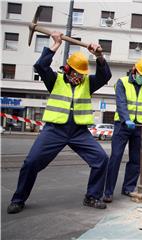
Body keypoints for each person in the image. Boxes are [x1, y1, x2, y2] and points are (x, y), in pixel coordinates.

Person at [7, 32, 112, 214]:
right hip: (55, 130)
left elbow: (105, 76)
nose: (80, 78)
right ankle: (18, 199)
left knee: (101, 159)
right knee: (31, 162)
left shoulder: (87, 83)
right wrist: (55, 44)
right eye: (77, 74)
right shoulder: (54, 80)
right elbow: (40, 65)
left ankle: (92, 196)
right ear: (68, 69)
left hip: (79, 132)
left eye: (82, 75)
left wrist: (99, 56)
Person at [103, 57, 142, 203]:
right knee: (115, 157)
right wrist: (125, 118)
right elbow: (121, 102)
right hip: (123, 125)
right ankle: (108, 191)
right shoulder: (122, 82)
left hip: (139, 127)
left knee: (136, 160)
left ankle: (128, 188)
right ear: (134, 70)